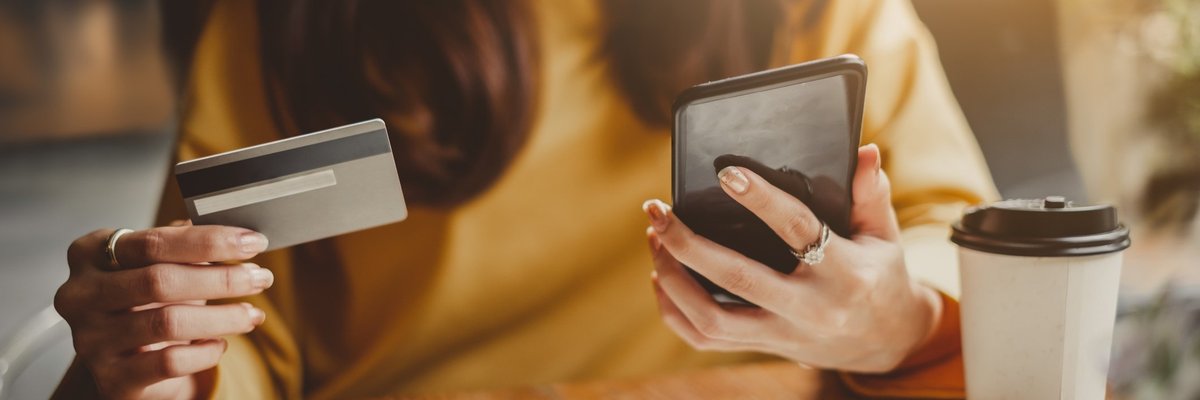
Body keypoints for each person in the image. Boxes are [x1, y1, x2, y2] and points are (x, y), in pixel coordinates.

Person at [52, 0, 997, 398]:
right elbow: (234, 336)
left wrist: (895, 323)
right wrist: (165, 357)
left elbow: (962, 247)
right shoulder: (288, 29)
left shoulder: (821, 12)